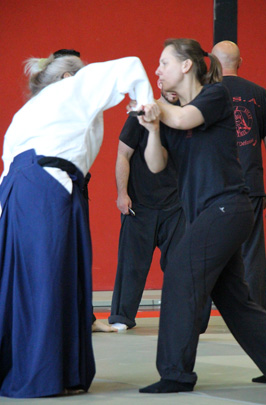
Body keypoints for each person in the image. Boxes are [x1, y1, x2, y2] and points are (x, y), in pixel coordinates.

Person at [0, 48, 153, 398]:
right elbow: (129, 66)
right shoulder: (70, 88)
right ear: (70, 76)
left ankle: (31, 367)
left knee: (24, 283)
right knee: (50, 280)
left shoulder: (27, 112)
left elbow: (8, 167)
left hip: (19, 193)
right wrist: (145, 106)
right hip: (47, 191)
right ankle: (46, 374)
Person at [136, 38, 266, 394]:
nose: (157, 70)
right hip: (206, 215)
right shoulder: (169, 110)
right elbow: (156, 164)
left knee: (180, 271)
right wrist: (151, 128)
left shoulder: (216, 95)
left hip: (227, 207)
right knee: (234, 299)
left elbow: (182, 119)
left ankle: (175, 375)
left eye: (164, 63)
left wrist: (157, 108)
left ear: (185, 66)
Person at [108, 84, 185, 331]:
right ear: (160, 84)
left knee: (181, 266)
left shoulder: (188, 116)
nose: (173, 91)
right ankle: (122, 318)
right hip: (139, 204)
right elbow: (123, 154)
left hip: (176, 206)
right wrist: (122, 194)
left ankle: (184, 318)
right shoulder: (141, 113)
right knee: (131, 265)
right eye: (168, 87)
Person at [211, 40, 266, 313]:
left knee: (206, 249)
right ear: (240, 62)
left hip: (214, 186)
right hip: (251, 184)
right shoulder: (259, 94)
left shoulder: (207, 93)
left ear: (212, 61)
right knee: (252, 251)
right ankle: (259, 313)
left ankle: (199, 314)